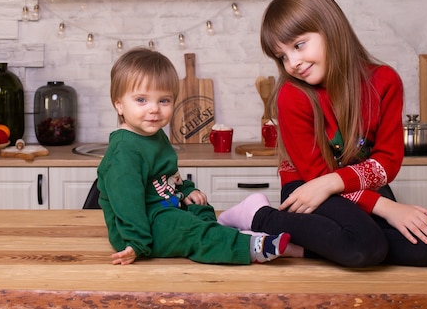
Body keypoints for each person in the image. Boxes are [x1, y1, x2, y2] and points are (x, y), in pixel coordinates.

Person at [218, 0, 427, 267]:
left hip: (350, 184)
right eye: (282, 56)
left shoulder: (385, 81)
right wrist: (388, 208)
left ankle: (298, 247)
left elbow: (388, 161)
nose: (292, 63)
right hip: (306, 188)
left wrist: (348, 188)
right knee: (366, 246)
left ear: (330, 28)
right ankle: (259, 215)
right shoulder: (292, 95)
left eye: (298, 45)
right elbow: (316, 174)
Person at [97, 47, 291, 265]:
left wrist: (187, 191)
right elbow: (127, 205)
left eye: (164, 101)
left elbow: (170, 177)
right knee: (187, 229)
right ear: (119, 104)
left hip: (165, 209)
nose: (154, 110)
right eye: (141, 100)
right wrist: (136, 243)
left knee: (200, 206)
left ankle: (222, 229)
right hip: (141, 226)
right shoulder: (124, 151)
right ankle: (249, 246)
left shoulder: (154, 135)